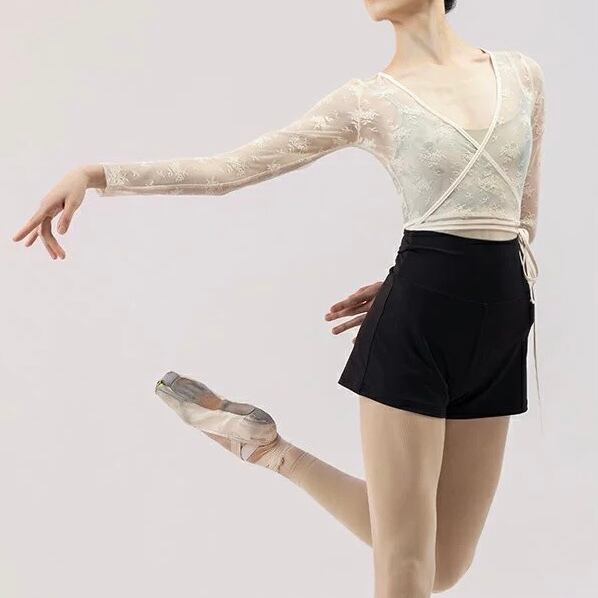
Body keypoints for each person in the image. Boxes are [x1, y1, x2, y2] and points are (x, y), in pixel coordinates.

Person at [11, 1, 545, 596]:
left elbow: (521, 221)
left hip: (500, 324)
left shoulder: (520, 75)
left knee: (444, 564)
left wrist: (450, 282)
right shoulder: (370, 100)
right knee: (405, 570)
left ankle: (273, 452)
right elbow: (229, 171)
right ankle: (275, 454)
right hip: (417, 324)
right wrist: (94, 175)